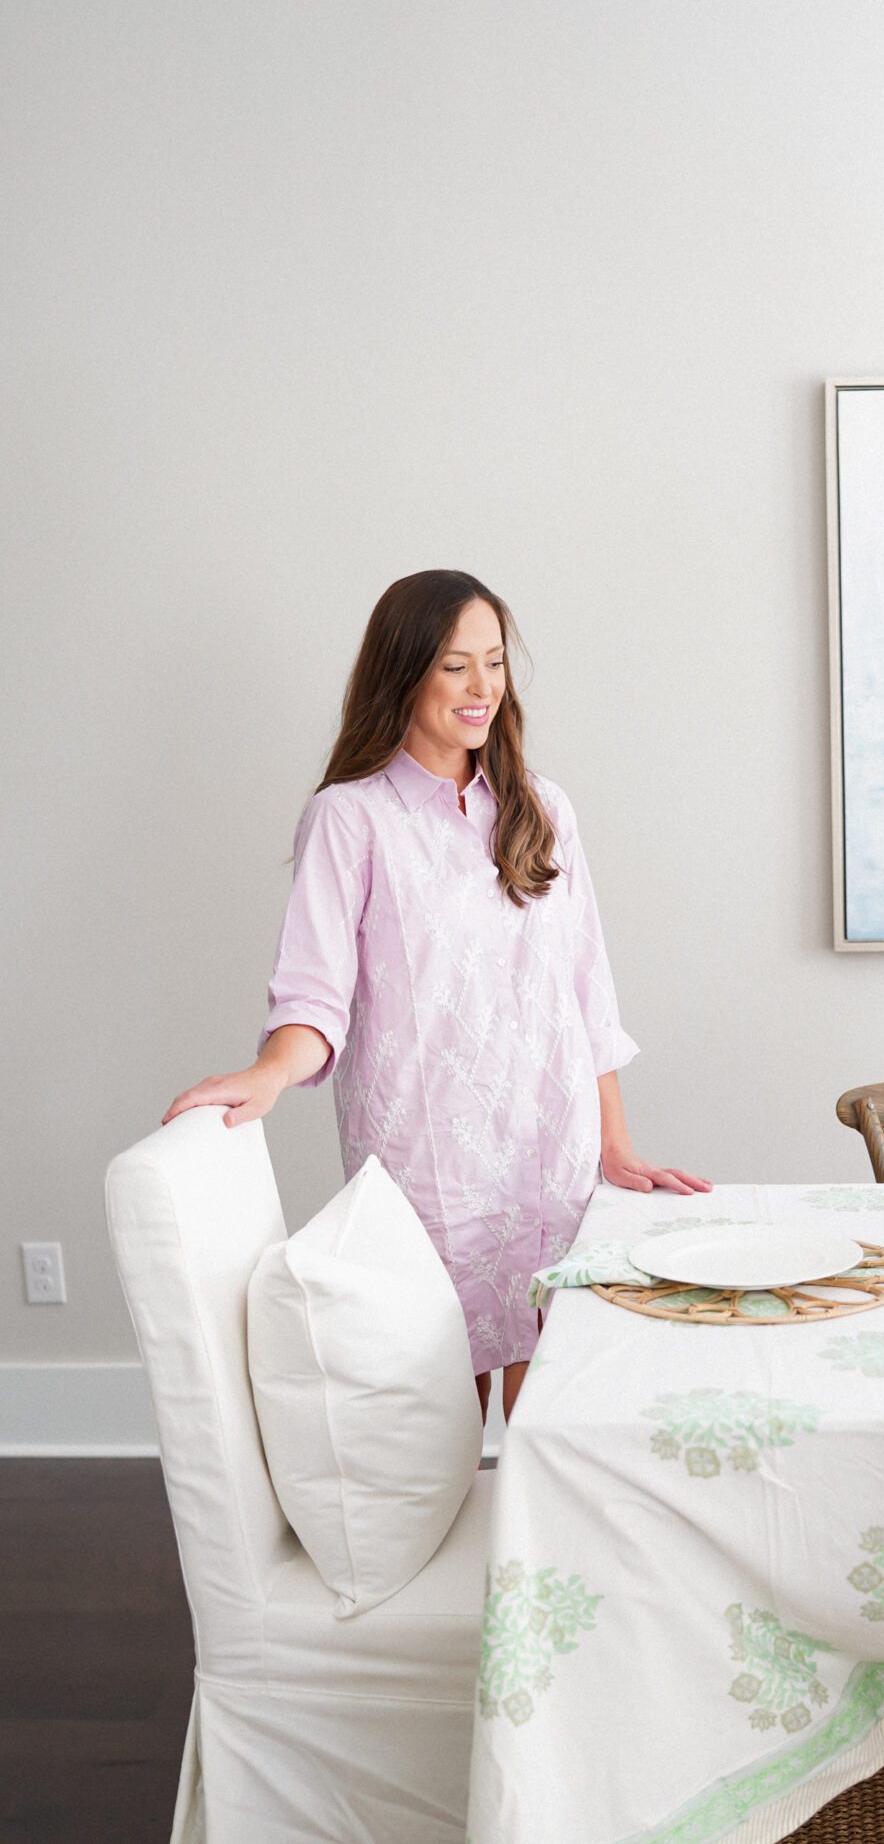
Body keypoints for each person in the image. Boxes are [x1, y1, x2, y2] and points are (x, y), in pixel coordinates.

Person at [163, 568, 710, 1419]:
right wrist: (268, 1073)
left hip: (549, 1151)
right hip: (428, 1161)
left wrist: (616, 1143)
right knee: (436, 1417)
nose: (482, 688)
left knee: (554, 1403)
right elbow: (314, 992)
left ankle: (532, 1556)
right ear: (405, 671)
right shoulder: (352, 820)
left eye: (494, 663)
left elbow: (584, 992)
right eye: (457, 665)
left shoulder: (543, 809)